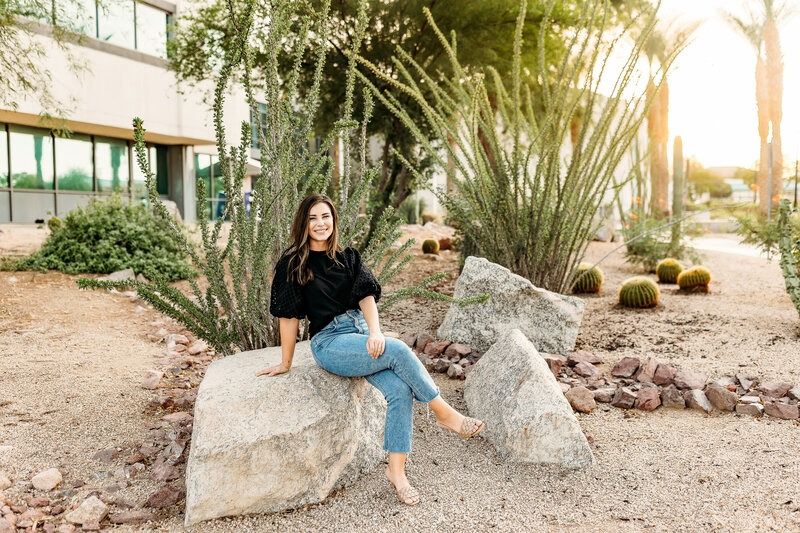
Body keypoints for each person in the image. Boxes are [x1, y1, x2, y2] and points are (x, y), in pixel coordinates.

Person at [256, 193, 484, 506]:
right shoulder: (292, 264)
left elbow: (366, 298)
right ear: (303, 224)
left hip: (361, 333)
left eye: (325, 216)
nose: (320, 224)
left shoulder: (348, 256)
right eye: (312, 218)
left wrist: (375, 332)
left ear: (334, 219)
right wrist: (285, 361)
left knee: (399, 391)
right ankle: (443, 412)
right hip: (330, 342)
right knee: (400, 350)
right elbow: (288, 315)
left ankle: (397, 473)